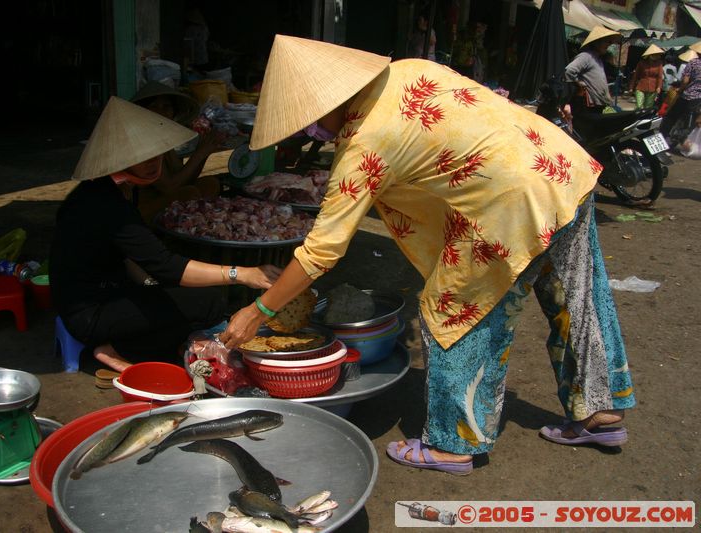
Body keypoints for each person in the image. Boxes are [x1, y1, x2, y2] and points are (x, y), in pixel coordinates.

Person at [219, 36, 635, 475]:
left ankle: (455, 443)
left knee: (453, 308)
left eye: (311, 120)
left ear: (331, 101)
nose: (312, 130)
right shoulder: (410, 68)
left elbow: (322, 250)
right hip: (561, 166)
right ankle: (599, 411)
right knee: (576, 295)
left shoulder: (364, 144)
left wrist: (258, 310)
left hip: (507, 202)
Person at [50, 97, 281, 372]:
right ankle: (114, 350)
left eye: (156, 153)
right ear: (119, 160)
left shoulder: (115, 189)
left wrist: (152, 288)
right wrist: (242, 273)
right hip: (89, 314)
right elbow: (167, 266)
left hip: (109, 292)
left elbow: (131, 259)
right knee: (209, 303)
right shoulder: (104, 204)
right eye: (142, 157)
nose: (153, 163)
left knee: (187, 302)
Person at [129, 81, 223, 225]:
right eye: (154, 106)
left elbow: (184, 176)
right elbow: (169, 187)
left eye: (166, 107)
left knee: (211, 183)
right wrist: (199, 154)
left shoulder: (163, 138)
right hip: (139, 211)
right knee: (189, 193)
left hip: (163, 197)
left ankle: (202, 225)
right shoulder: (142, 140)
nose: (161, 112)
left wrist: (205, 151)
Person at [563, 26, 622, 117]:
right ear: (596, 42)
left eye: (610, 42)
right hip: (587, 106)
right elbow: (569, 71)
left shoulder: (597, 58)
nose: (608, 45)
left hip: (597, 105)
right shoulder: (586, 56)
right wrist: (579, 84)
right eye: (606, 41)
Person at [660, 45, 701, 147]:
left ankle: (663, 138)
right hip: (698, 100)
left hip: (686, 96)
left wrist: (680, 89)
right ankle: (683, 141)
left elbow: (685, 80)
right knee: (689, 122)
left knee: (671, 117)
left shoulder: (693, 62)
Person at [629, 44, 664, 110]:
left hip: (653, 88)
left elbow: (659, 77)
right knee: (639, 106)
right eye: (654, 54)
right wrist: (631, 87)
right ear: (650, 55)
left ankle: (644, 118)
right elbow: (635, 75)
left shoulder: (659, 64)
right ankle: (637, 117)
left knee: (648, 107)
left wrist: (659, 86)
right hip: (641, 86)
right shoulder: (641, 63)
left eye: (657, 55)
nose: (656, 56)